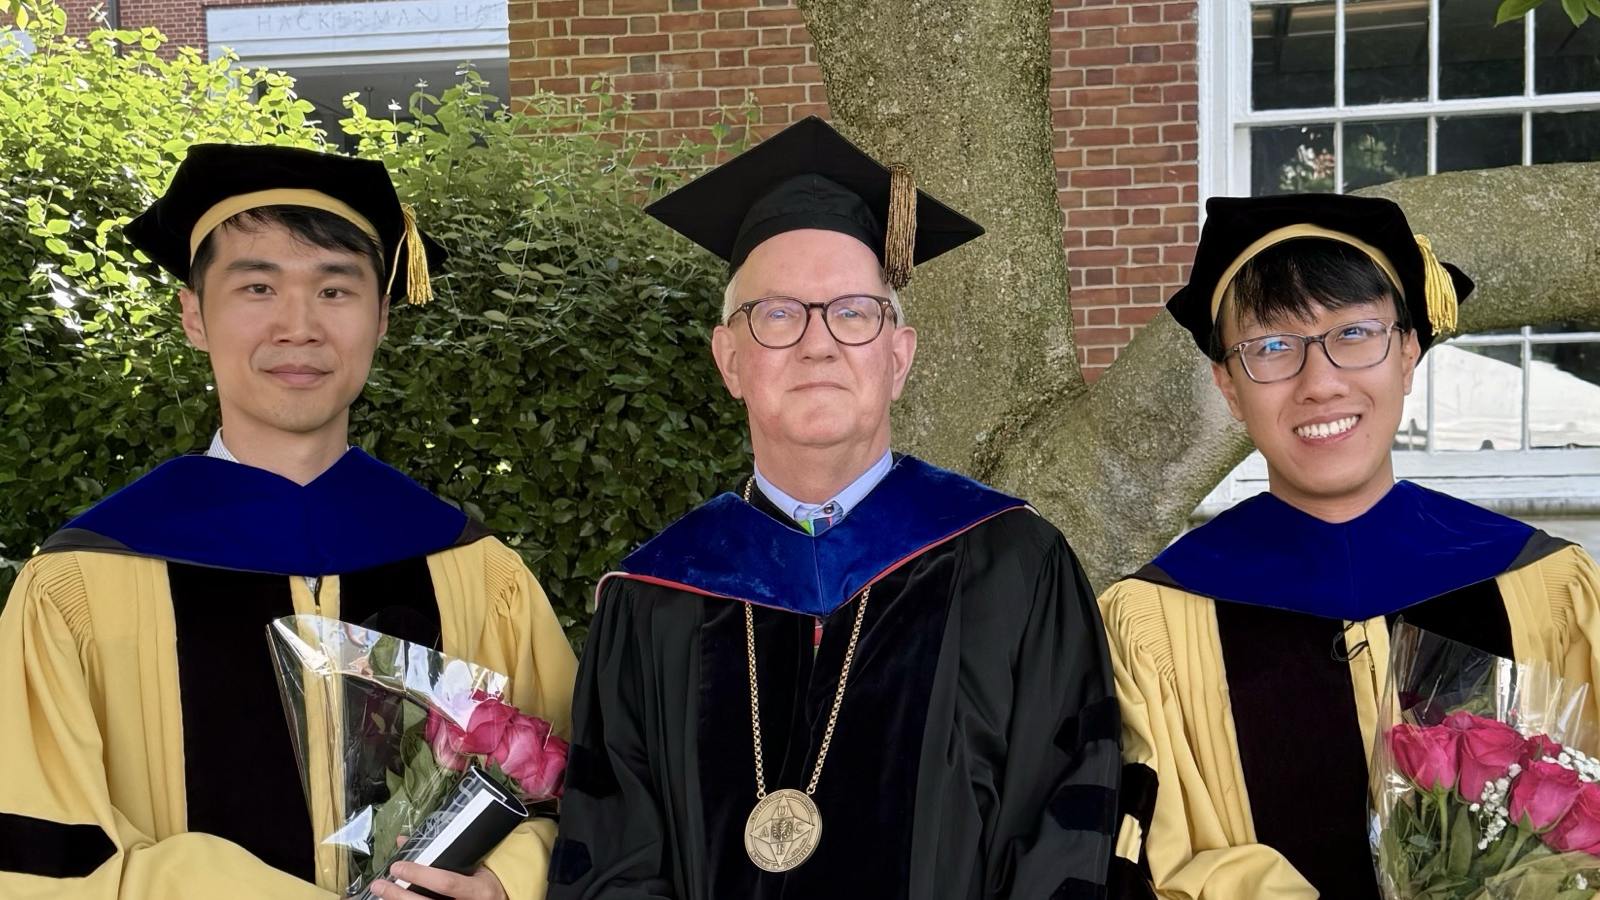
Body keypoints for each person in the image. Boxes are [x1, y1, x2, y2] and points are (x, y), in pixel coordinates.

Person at [547, 116, 1120, 900]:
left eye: (852, 312)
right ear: (729, 359)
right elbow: (611, 860)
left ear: (898, 357)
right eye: (778, 313)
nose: (818, 344)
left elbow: (1065, 836)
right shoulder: (655, 598)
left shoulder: (1015, 566)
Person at [0, 144, 576, 900]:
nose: (298, 326)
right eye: (258, 287)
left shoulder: (473, 569)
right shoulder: (80, 581)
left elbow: (587, 797)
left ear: (381, 319)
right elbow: (38, 859)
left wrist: (508, 880)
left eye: (335, 290)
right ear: (194, 316)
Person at [1100, 193, 1600, 899]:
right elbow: (1156, 862)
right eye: (1272, 347)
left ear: (1408, 352)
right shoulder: (1157, 621)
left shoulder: (1543, 585)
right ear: (1229, 387)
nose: (1320, 383)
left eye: (1356, 333)